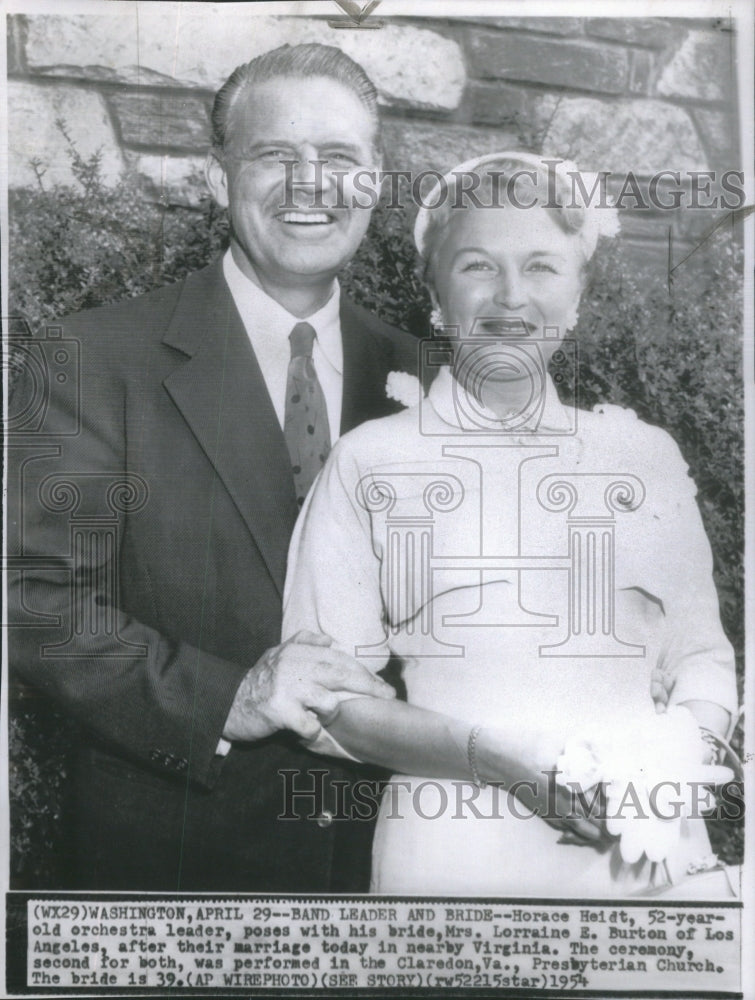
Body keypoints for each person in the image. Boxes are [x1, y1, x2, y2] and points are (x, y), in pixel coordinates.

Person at [7, 43, 417, 891]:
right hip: (174, 859)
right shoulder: (89, 357)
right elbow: (31, 602)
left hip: (393, 864)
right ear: (215, 176)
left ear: (373, 183)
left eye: (339, 158)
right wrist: (225, 696)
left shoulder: (430, 380)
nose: (310, 184)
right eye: (275, 155)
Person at [282, 152, 738, 897]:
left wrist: (669, 762)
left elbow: (702, 657)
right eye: (476, 266)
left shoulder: (643, 456)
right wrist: (500, 761)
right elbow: (330, 697)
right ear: (435, 293)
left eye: (540, 267)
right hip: (456, 846)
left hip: (642, 847)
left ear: (579, 293)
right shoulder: (371, 464)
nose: (509, 298)